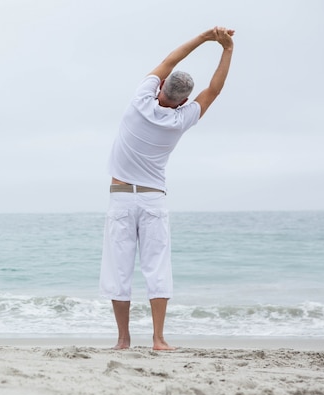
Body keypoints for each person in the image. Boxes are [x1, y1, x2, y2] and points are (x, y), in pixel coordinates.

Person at [99, 27, 235, 350]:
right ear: (184, 100)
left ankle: (123, 340)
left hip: (121, 198)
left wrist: (204, 38)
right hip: (153, 200)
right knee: (157, 268)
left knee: (119, 270)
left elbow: (168, 60)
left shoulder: (139, 101)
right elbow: (213, 91)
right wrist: (227, 50)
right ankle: (158, 339)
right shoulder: (180, 120)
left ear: (160, 86)